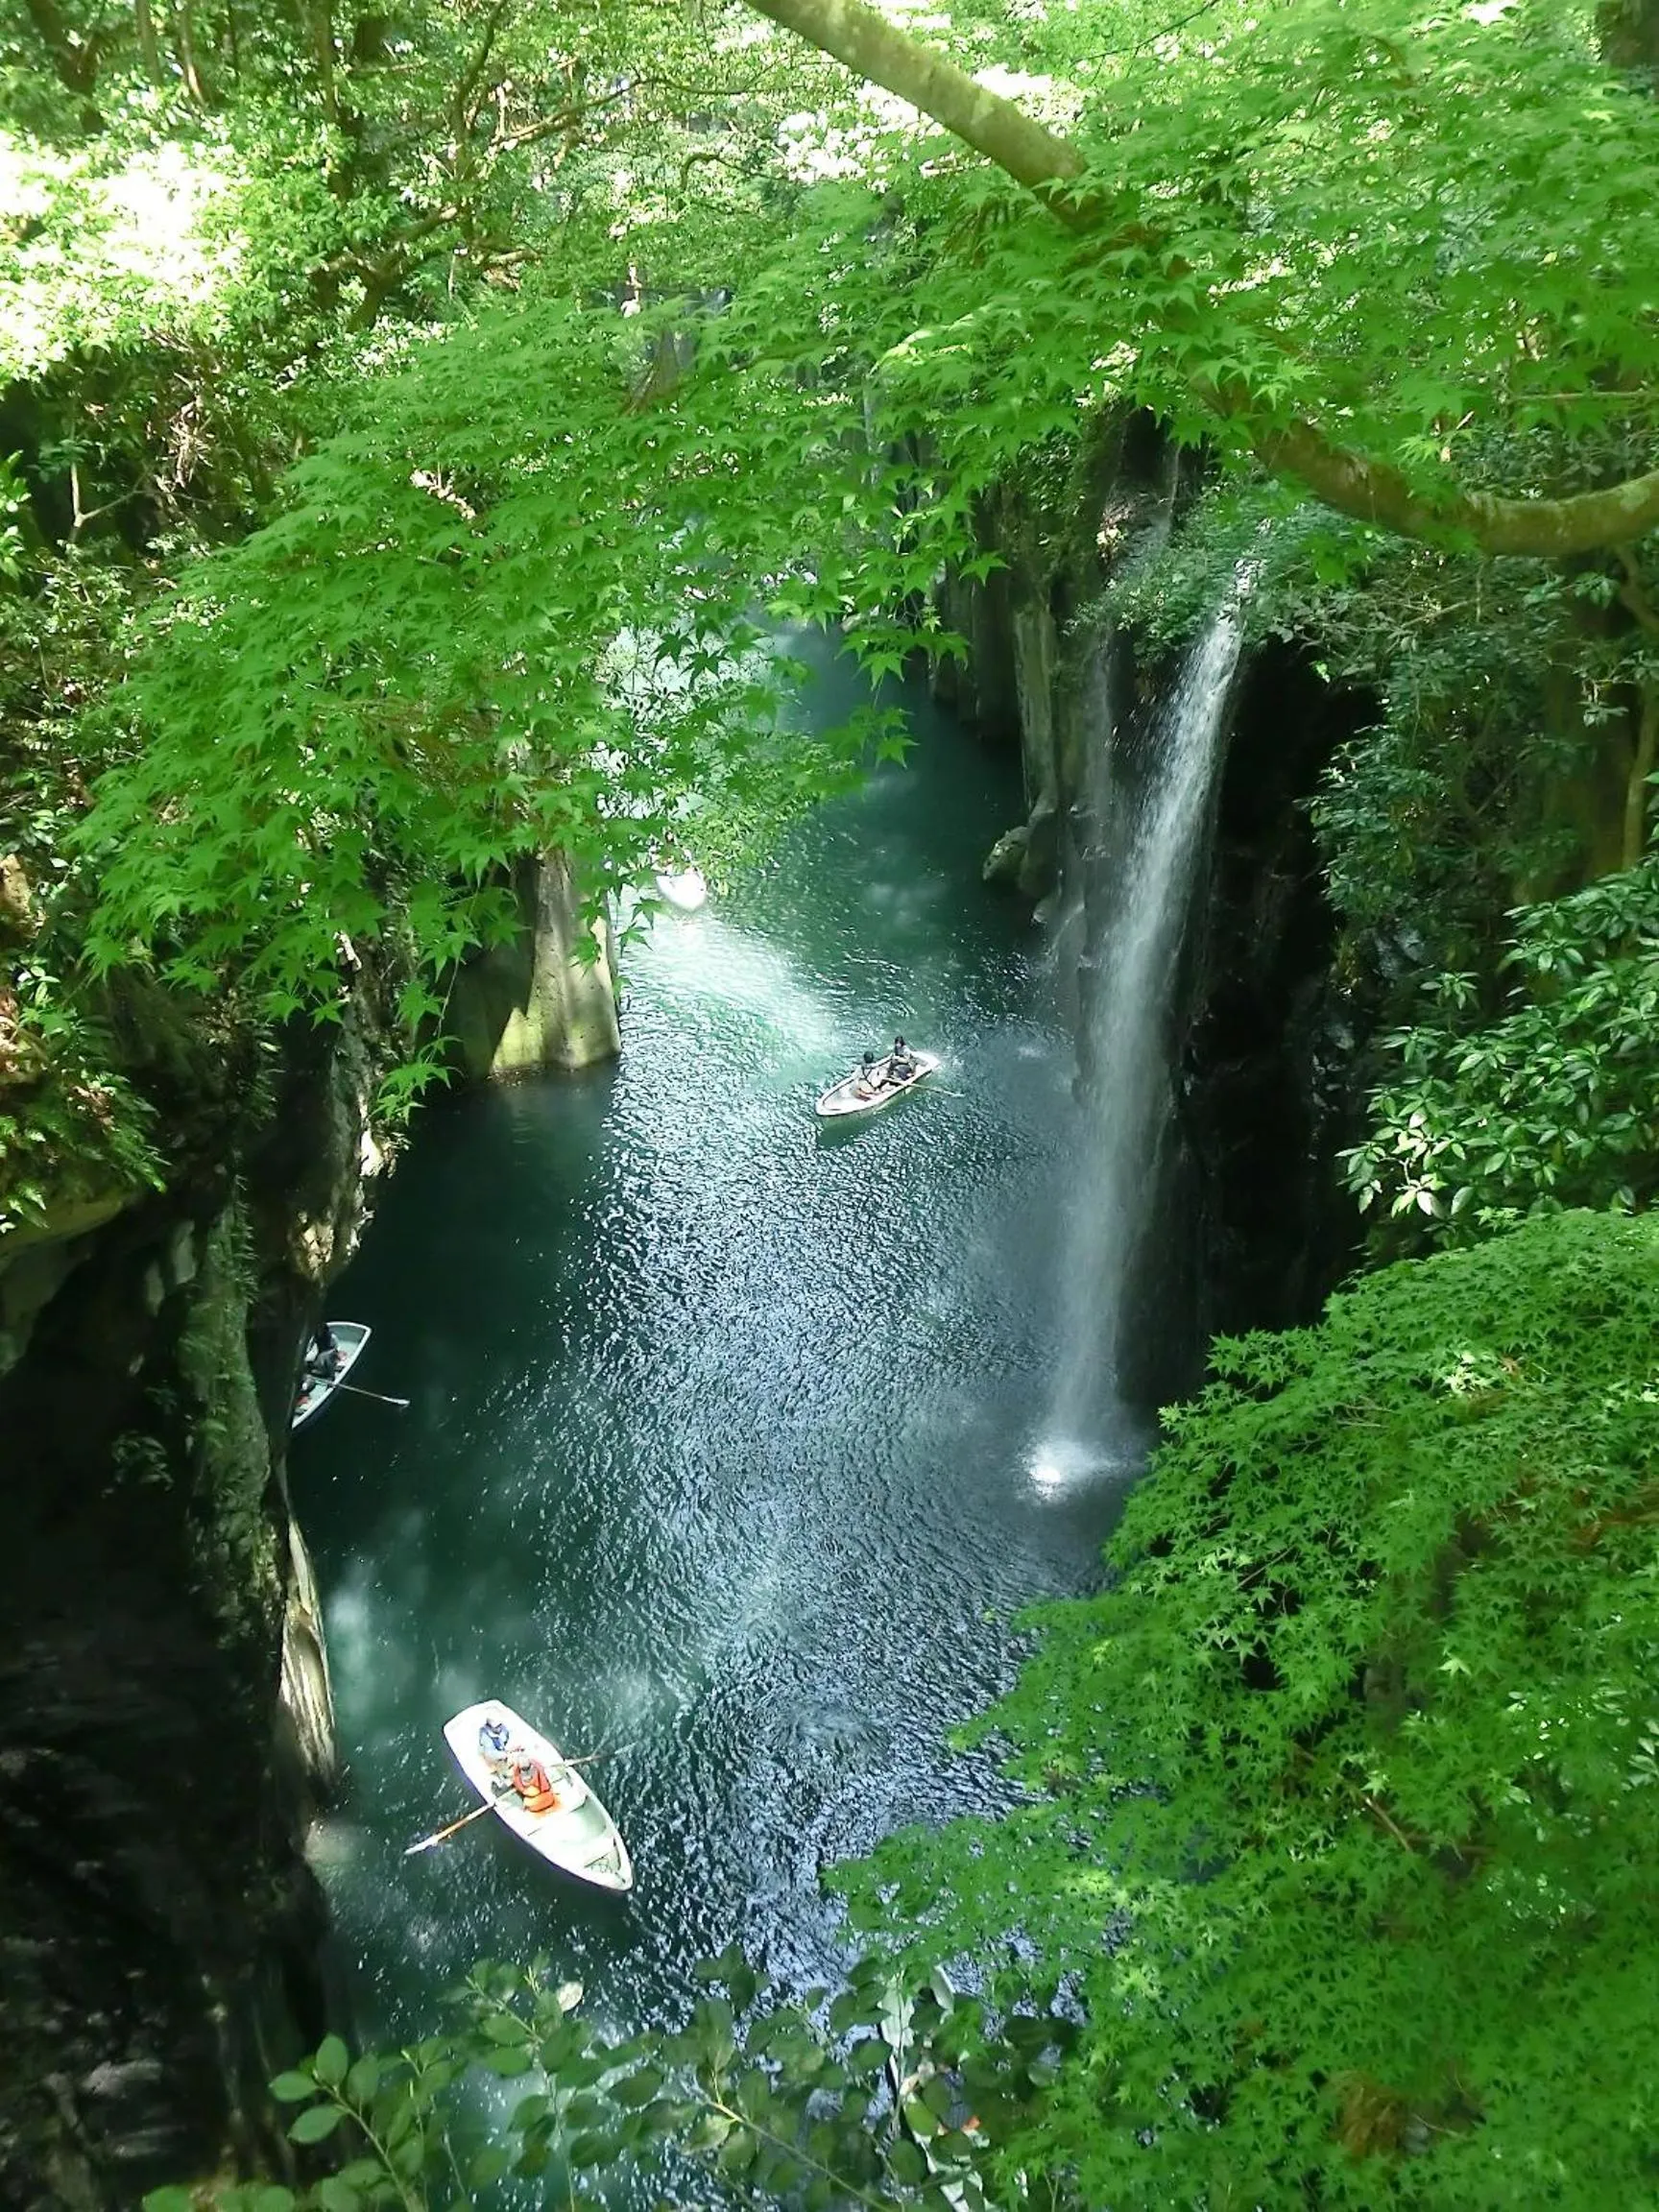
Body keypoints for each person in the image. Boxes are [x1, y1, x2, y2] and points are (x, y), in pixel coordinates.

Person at [508, 1751, 561, 1816]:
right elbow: (517, 1781)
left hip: (541, 1798)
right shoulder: (517, 1773)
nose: (527, 1773)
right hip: (536, 1799)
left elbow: (544, 1782)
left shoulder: (537, 1769)